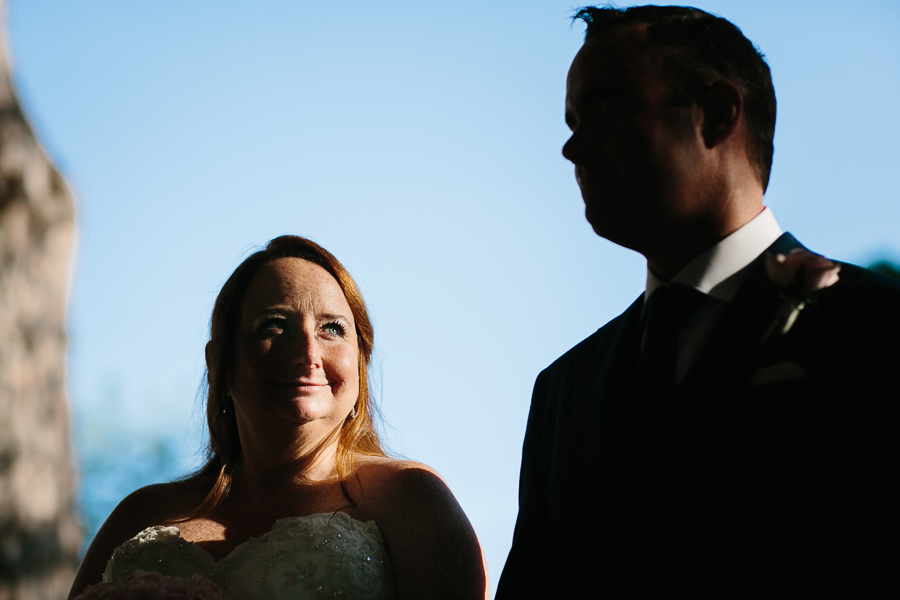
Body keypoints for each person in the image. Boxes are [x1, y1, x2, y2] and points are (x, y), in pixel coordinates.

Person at [497, 5, 900, 597]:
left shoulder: (875, 324)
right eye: (572, 121)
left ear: (716, 113)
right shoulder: (563, 390)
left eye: (606, 110)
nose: (573, 148)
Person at [69, 235, 488, 599]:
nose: (307, 353)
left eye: (332, 329)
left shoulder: (409, 500)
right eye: (274, 325)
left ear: (361, 362)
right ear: (219, 363)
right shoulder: (141, 514)